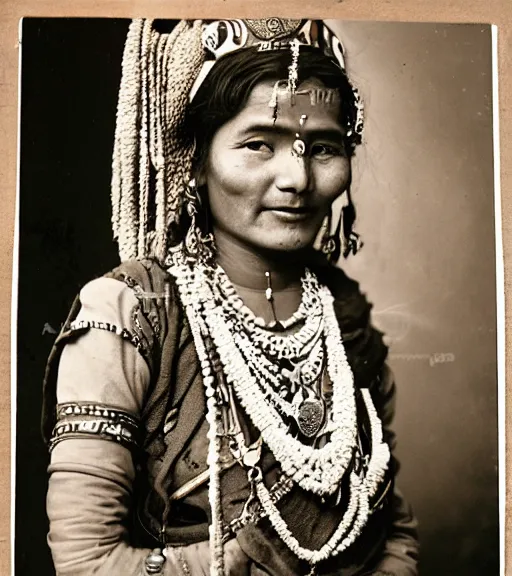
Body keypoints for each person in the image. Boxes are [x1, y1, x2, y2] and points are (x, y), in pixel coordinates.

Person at [42, 18, 419, 576]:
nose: (296, 177)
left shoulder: (344, 314)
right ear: (194, 161)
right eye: (258, 144)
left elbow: (391, 530)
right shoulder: (127, 314)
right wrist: (240, 564)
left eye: (322, 147)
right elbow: (86, 562)